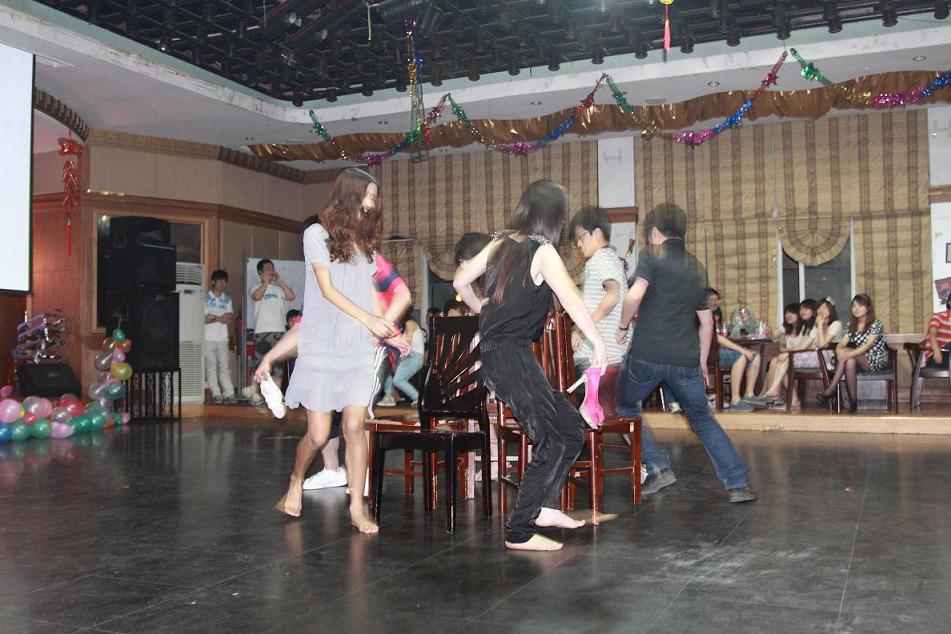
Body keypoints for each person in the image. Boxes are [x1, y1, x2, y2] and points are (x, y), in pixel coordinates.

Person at [455, 180, 608, 552]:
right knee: (551, 438)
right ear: (554, 218)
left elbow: (460, 280)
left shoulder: (500, 242)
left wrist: (484, 311)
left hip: (503, 354)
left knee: (570, 427)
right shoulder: (543, 250)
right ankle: (519, 530)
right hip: (510, 355)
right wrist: (598, 342)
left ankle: (545, 507)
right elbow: (570, 299)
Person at [271, 167, 395, 533]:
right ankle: (296, 478)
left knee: (355, 426)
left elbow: (369, 289)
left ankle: (357, 506)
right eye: (368, 195)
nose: (372, 203)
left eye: (374, 197)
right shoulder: (316, 234)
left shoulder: (364, 241)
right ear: (349, 195)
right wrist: (369, 319)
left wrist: (385, 324)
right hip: (322, 347)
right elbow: (327, 290)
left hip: (356, 348)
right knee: (319, 435)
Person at [256, 212, 411, 494]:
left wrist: (381, 328)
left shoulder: (367, 258)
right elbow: (302, 328)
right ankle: (331, 469)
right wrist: (269, 358)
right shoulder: (321, 280)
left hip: (373, 349)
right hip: (337, 354)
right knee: (324, 408)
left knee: (356, 417)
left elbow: (402, 295)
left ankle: (362, 480)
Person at [614, 203, 755, 503]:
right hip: (686, 359)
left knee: (623, 405)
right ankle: (737, 483)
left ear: (655, 232)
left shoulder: (652, 256)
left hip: (648, 354)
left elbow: (634, 296)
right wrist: (702, 362)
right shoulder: (696, 266)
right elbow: (707, 323)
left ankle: (658, 465)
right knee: (702, 419)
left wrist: (623, 326)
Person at [569, 206, 628, 371]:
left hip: (597, 357)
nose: (579, 244)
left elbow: (613, 296)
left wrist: (581, 330)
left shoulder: (601, 258)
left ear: (596, 233)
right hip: (609, 355)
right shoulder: (610, 258)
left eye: (581, 237)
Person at [755, 298, 843, 408]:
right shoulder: (816, 327)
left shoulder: (836, 324)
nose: (821, 310)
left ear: (831, 309)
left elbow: (822, 344)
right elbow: (804, 346)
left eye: (824, 308)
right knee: (780, 360)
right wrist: (788, 351)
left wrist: (820, 325)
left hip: (827, 359)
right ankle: (777, 393)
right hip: (813, 356)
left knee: (783, 359)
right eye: (819, 308)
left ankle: (777, 393)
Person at [817, 294, 890, 413]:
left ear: (868, 308)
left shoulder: (876, 324)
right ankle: (853, 402)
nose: (856, 309)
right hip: (857, 359)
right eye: (854, 306)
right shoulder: (851, 325)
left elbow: (867, 346)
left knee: (848, 356)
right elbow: (842, 344)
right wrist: (840, 351)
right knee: (850, 361)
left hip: (874, 361)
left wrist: (846, 354)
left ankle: (831, 389)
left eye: (860, 305)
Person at [703, 288, 761, 412]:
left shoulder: (715, 314)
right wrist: (742, 350)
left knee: (755, 356)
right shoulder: (703, 315)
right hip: (705, 355)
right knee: (740, 356)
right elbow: (717, 338)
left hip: (716, 351)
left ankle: (749, 394)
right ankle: (735, 400)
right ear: (704, 301)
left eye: (716, 300)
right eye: (711, 300)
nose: (714, 302)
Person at [249, 258, 296, 405]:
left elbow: (291, 296)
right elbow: (257, 296)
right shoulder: (255, 287)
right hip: (262, 331)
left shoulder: (277, 288)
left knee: (278, 366)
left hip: (279, 331)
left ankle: (275, 395)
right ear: (260, 272)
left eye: (272, 268)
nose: (271, 271)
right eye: (268, 269)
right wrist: (265, 282)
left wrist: (279, 281)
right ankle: (255, 394)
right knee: (259, 363)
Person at [203, 269, 236, 404]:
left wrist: (215, 317)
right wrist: (221, 317)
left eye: (224, 281)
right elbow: (203, 319)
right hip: (207, 338)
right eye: (220, 281)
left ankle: (229, 393)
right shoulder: (205, 298)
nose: (223, 284)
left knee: (224, 366)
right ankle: (216, 393)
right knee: (211, 366)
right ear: (213, 282)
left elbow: (229, 319)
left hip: (222, 338)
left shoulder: (227, 300)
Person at [378, 316, 424, 407]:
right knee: (387, 368)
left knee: (398, 380)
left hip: (414, 357)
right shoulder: (406, 327)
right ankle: (390, 396)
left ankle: (418, 398)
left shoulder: (409, 322)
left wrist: (392, 339)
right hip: (410, 357)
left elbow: (407, 343)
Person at [924, 295, 951, 369]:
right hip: (937, 356)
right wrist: (936, 350)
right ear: (949, 302)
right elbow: (932, 334)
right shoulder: (938, 316)